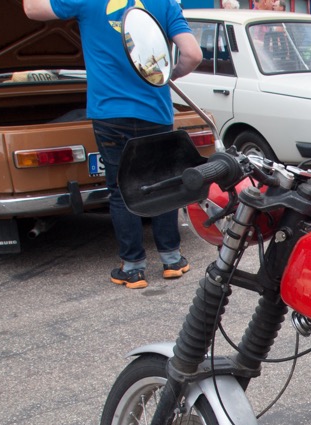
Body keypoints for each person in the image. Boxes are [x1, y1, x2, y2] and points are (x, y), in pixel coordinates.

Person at [23, 0, 202, 289]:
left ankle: (132, 268)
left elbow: (32, 10)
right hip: (155, 112)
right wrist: (168, 74)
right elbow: (193, 54)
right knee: (164, 183)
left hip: (110, 114)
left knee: (121, 189)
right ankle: (172, 260)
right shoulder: (165, 3)